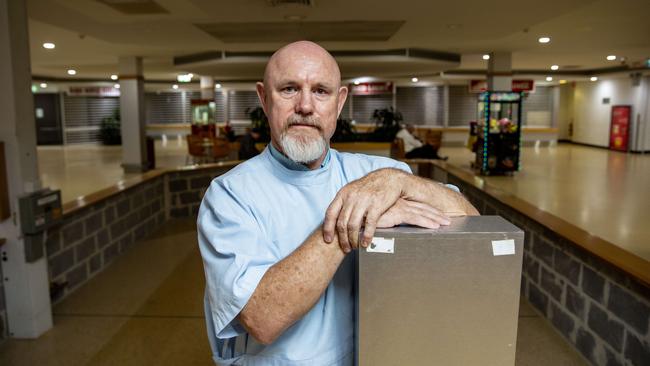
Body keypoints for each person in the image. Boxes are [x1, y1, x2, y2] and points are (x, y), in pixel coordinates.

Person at [197, 41, 478, 365]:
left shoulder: (379, 178)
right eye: (289, 89)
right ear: (263, 98)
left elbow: (470, 221)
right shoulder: (230, 196)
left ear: (340, 101)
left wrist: (400, 181)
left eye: (320, 91)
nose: (305, 105)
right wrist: (352, 222)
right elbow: (262, 319)